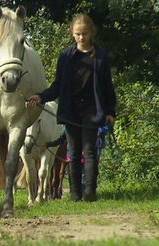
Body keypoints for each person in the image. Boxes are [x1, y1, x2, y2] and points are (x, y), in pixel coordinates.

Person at [27, 14, 116, 202]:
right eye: (78, 34)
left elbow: (108, 87)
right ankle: (76, 195)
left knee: (90, 151)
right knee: (73, 153)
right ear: (72, 34)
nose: (81, 37)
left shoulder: (101, 56)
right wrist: (41, 96)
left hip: (93, 111)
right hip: (71, 110)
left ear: (91, 33)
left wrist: (110, 112)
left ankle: (90, 191)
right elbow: (58, 85)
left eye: (84, 33)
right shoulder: (66, 56)